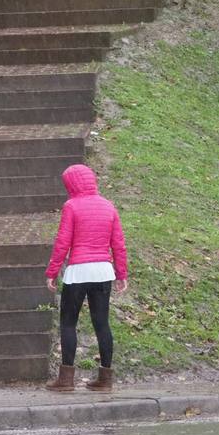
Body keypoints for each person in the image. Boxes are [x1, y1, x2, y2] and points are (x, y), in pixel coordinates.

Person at [45, 164, 128, 393]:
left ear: (71, 184)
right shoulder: (108, 206)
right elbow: (118, 244)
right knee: (102, 323)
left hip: (79, 271)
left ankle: (66, 378)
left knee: (68, 323)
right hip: (103, 271)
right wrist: (121, 273)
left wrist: (52, 272)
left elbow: (63, 242)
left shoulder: (71, 206)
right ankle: (105, 378)